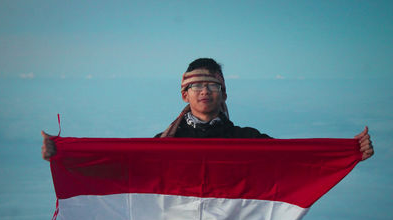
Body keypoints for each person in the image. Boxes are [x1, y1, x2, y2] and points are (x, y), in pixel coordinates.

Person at [42, 58, 374, 160]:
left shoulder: (247, 140)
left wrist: (349, 151)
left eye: (212, 85)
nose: (204, 91)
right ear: (184, 95)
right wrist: (64, 153)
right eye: (196, 86)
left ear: (222, 93)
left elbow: (295, 157)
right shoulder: (162, 144)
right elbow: (117, 164)